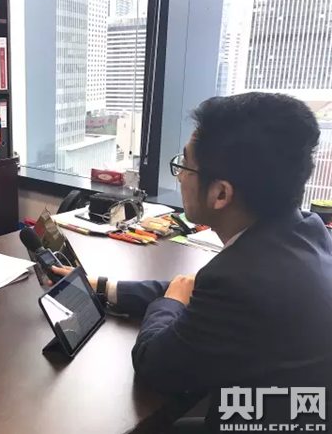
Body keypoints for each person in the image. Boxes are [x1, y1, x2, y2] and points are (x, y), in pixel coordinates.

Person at [52, 93, 332, 432]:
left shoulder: (240, 279)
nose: (180, 177)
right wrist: (102, 287)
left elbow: (154, 365)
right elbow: (191, 291)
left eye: (184, 166)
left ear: (221, 193)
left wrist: (169, 303)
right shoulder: (306, 231)